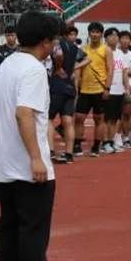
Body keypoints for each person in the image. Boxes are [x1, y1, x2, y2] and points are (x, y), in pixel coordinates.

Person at [0, 11, 77, 261]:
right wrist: (37, 157)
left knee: (9, 231)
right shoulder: (34, 70)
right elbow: (24, 114)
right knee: (33, 232)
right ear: (45, 42)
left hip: (5, 164)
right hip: (27, 167)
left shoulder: (4, 67)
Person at [73, 22, 112, 157]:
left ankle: (96, 146)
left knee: (99, 119)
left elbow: (110, 69)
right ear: (89, 34)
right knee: (79, 118)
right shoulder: (83, 49)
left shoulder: (106, 50)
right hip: (84, 89)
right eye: (92, 32)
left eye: (97, 32)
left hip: (100, 89)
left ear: (101, 34)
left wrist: (107, 88)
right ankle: (77, 144)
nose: (95, 35)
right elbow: (78, 68)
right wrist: (76, 86)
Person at [47, 24, 80, 164]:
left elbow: (58, 55)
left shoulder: (56, 44)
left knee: (48, 119)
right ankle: (69, 154)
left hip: (56, 86)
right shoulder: (74, 47)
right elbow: (84, 59)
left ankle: (50, 151)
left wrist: (58, 68)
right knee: (67, 121)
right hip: (69, 87)